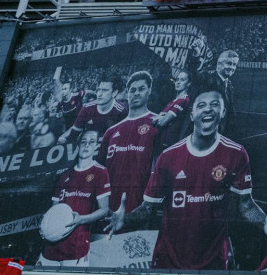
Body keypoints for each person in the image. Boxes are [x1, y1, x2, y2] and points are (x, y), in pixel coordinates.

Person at [107, 87, 265, 270]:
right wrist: (125, 219)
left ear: (222, 113)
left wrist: (266, 223)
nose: (208, 109)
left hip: (213, 262)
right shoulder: (168, 157)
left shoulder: (236, 154)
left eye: (214, 104)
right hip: (169, 261)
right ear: (192, 115)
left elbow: (246, 206)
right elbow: (148, 208)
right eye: (201, 105)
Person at [39, 129, 110, 267]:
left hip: (76, 250)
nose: (87, 145)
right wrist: (45, 224)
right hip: (50, 248)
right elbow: (53, 210)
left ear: (96, 146)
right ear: (78, 146)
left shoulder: (100, 172)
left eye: (91, 142)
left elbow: (104, 210)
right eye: (83, 142)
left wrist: (81, 219)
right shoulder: (64, 176)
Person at [99, 70, 158, 215]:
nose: (136, 93)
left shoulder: (157, 124)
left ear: (149, 91)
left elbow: (159, 170)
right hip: (107, 210)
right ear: (127, 93)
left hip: (139, 211)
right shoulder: (111, 132)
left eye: (141, 89)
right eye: (132, 90)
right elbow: (100, 173)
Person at [58, 73, 126, 144]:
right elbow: (74, 134)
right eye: (99, 90)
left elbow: (123, 139)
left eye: (104, 90)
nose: (99, 94)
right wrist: (63, 137)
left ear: (114, 93)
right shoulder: (87, 108)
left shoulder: (121, 111)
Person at [153, 69, 192, 148]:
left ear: (188, 83)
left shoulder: (183, 100)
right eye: (177, 79)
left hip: (168, 143)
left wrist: (161, 117)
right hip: (160, 140)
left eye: (182, 80)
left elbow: (162, 122)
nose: (178, 82)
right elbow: (155, 120)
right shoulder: (173, 101)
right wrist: (161, 117)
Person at [209, 50, 239, 135]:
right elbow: (195, 75)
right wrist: (196, 57)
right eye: (229, 63)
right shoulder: (208, 79)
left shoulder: (230, 86)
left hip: (221, 132)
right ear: (219, 64)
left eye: (234, 65)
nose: (232, 67)